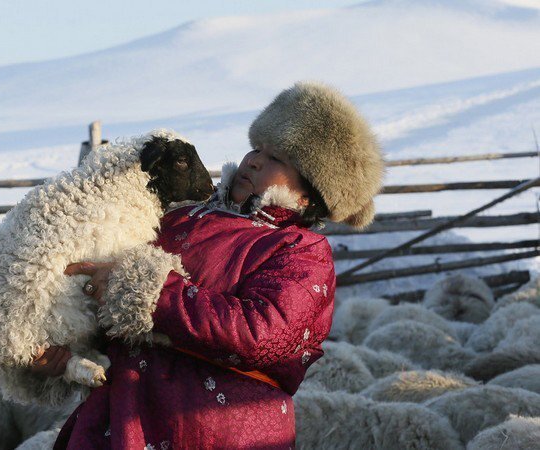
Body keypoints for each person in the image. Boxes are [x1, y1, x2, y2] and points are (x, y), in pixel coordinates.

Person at [31, 82, 384, 449]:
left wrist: (148, 292)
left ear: (312, 190)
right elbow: (102, 303)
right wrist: (66, 353)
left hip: (211, 431)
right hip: (117, 423)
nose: (255, 160)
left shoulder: (299, 251)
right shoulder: (176, 218)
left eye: (277, 158)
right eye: (257, 148)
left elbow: (262, 334)